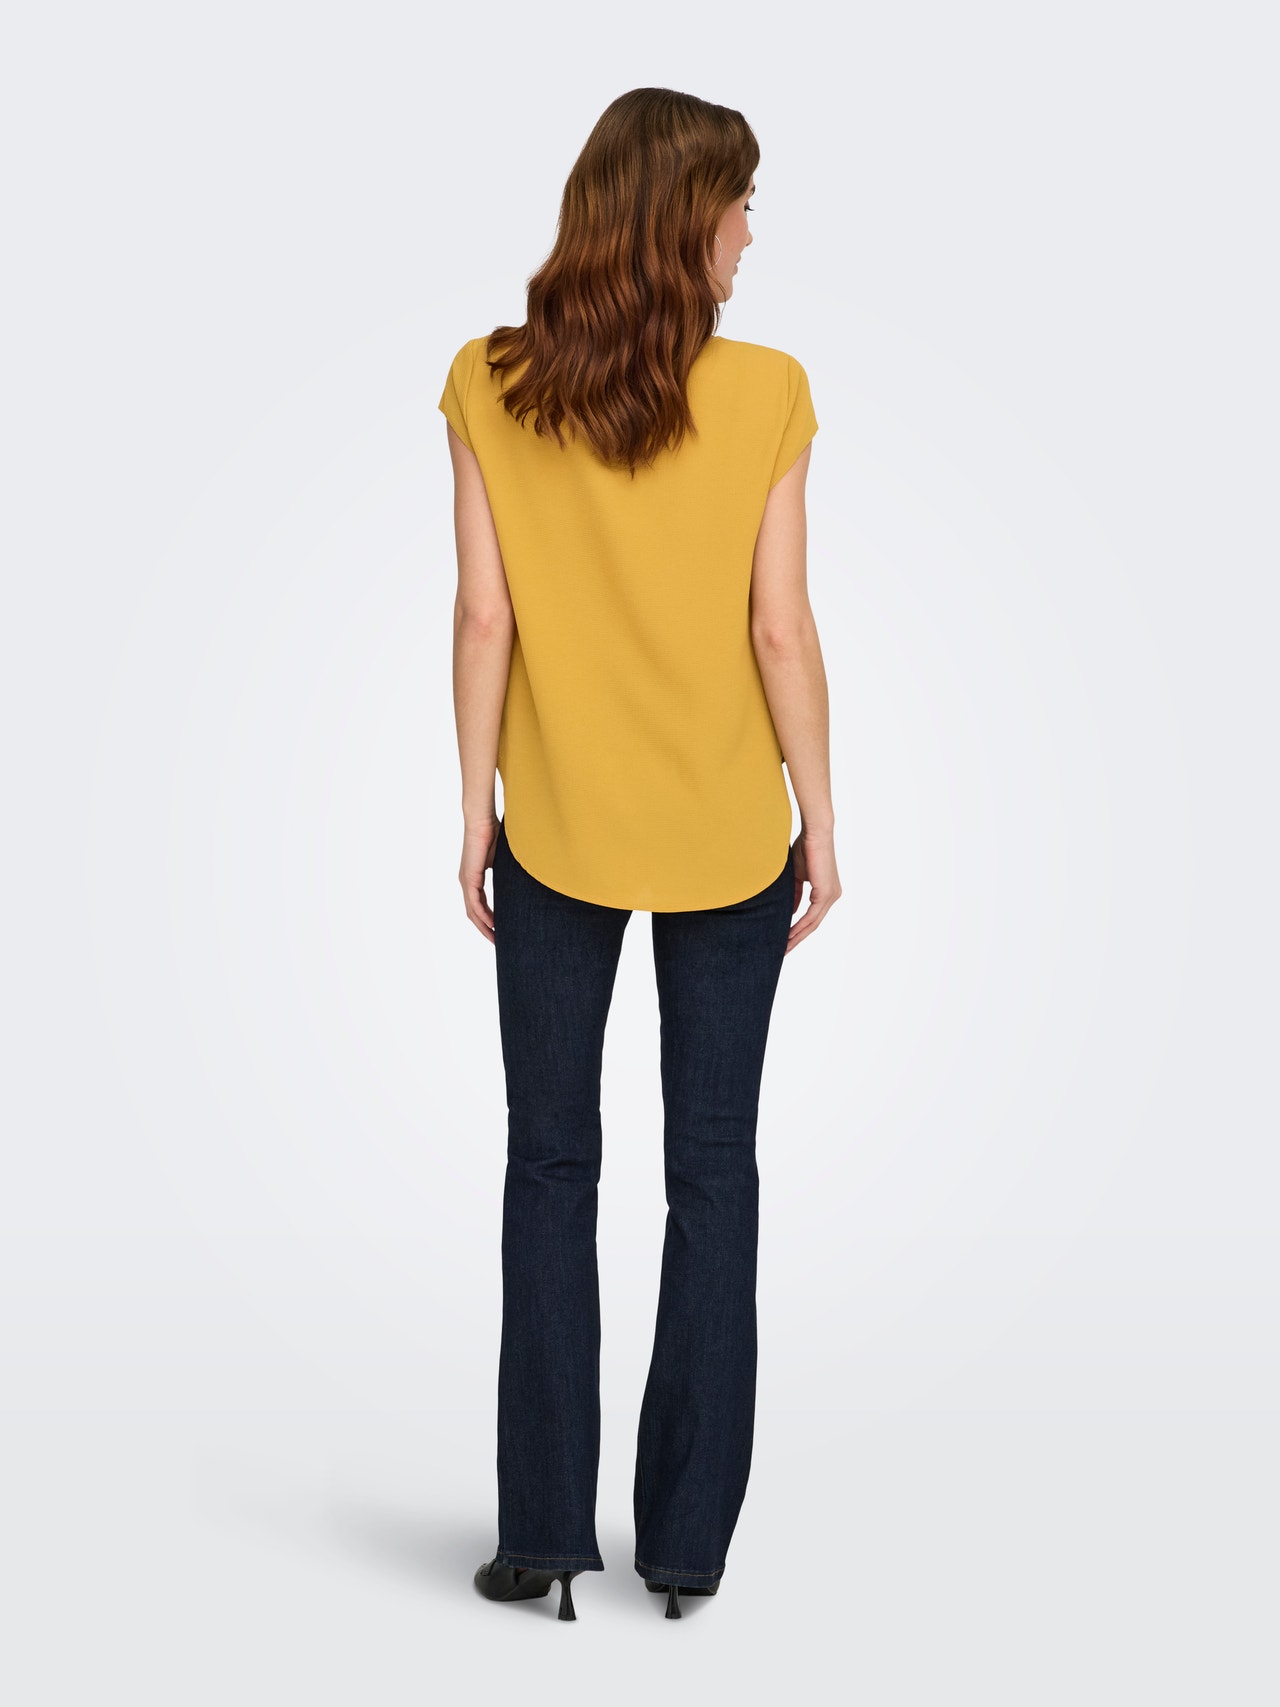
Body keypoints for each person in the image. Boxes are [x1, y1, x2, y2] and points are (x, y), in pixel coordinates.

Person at [439, 86, 840, 1623]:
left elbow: (486, 616)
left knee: (551, 1165)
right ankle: (684, 1554)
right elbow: (779, 629)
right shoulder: (770, 392)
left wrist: (473, 809)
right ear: (687, 220)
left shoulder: (490, 383)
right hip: (728, 835)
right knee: (713, 1174)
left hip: (556, 828)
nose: (751, 230)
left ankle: (543, 1536)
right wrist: (823, 817)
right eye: (741, 201)